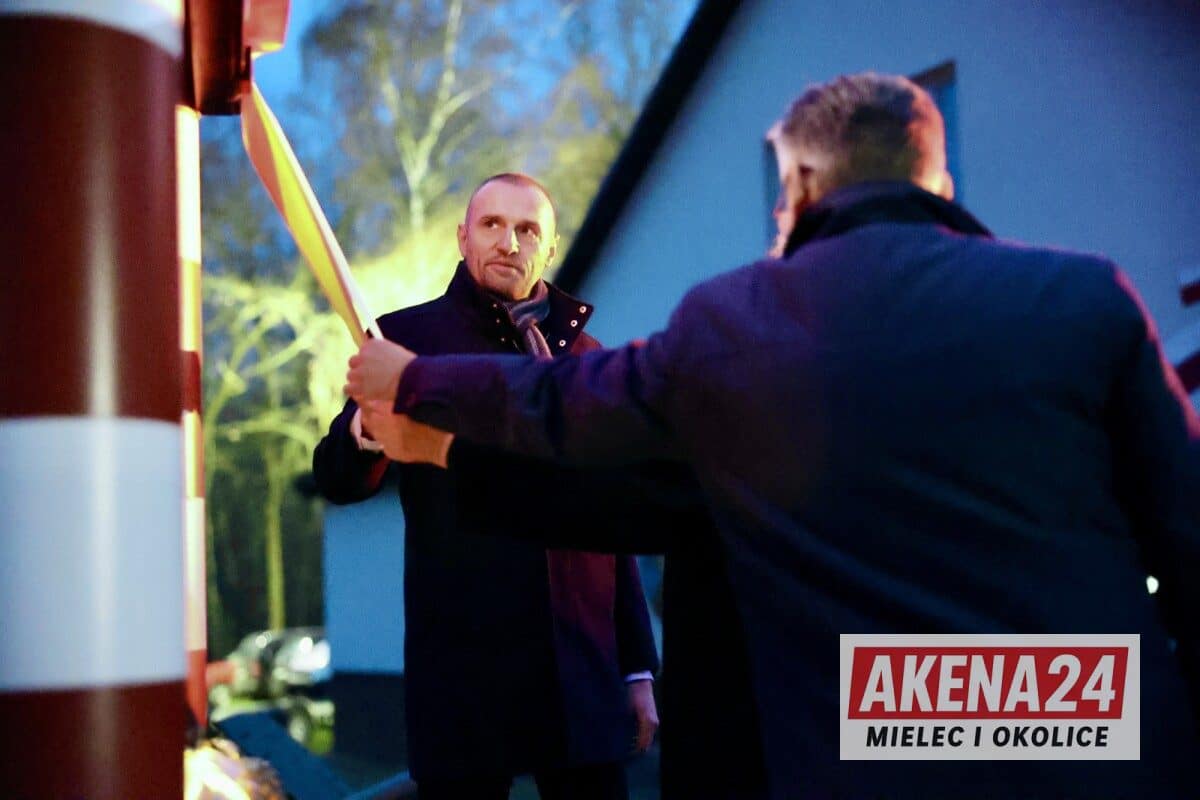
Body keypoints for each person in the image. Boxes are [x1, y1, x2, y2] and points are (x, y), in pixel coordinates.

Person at [345, 73, 1200, 798]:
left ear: (798, 188)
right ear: (939, 183)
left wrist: (420, 394)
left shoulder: (742, 329)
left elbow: (585, 426)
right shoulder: (1087, 299)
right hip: (1088, 728)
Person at [313, 173, 661, 800]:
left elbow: (614, 522)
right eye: (492, 224)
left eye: (527, 229)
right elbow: (337, 479)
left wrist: (637, 669)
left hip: (579, 667)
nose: (508, 242)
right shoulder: (405, 341)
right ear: (463, 237)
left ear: (548, 250)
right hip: (465, 670)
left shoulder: (586, 356)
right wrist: (366, 426)